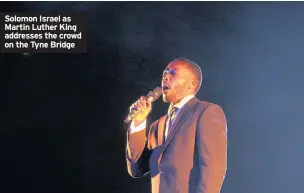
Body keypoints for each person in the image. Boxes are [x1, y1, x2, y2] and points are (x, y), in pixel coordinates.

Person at [125, 58, 227, 193]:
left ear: (191, 84)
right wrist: (138, 123)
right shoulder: (157, 126)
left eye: (173, 73)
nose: (165, 77)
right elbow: (136, 169)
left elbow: (212, 168)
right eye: (164, 73)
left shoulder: (205, 111)